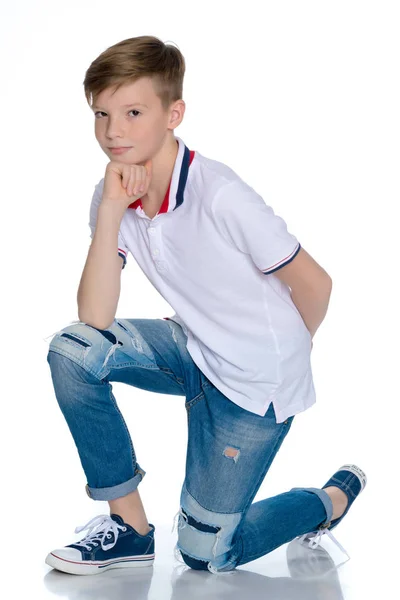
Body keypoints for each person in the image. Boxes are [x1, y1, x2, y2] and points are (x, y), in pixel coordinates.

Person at [44, 35, 367, 576]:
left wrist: (280, 353)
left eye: (132, 112)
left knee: (206, 556)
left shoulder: (220, 194)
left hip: (253, 384)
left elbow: (316, 284)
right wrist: (110, 214)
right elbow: (94, 320)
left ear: (174, 114)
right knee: (73, 351)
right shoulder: (113, 194)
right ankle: (129, 527)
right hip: (193, 348)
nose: (112, 131)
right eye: (101, 114)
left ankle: (328, 501)